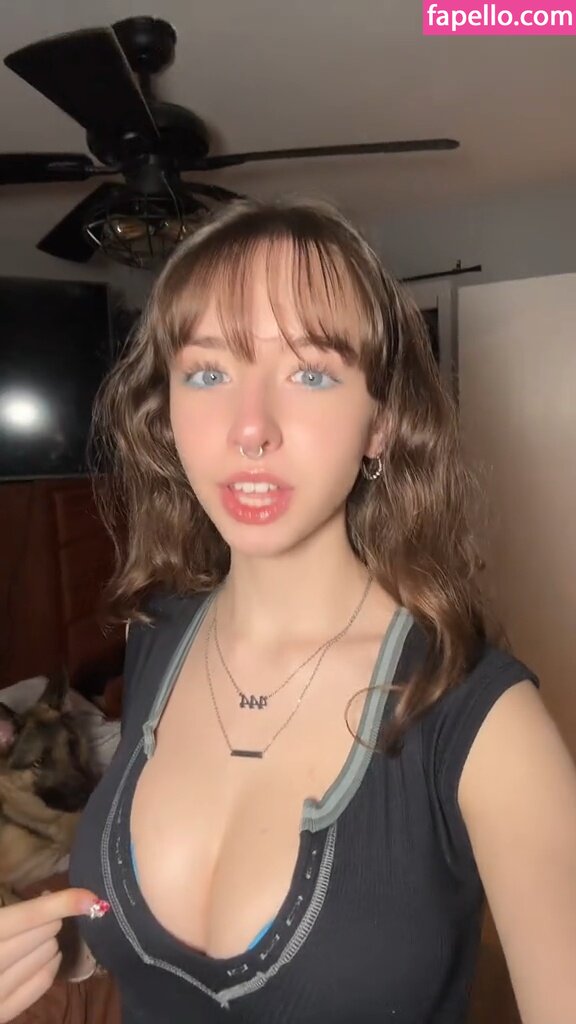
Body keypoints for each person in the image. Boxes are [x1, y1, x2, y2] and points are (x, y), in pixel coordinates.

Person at [1, 198, 576, 1023]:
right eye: (208, 372)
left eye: (311, 373)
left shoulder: (482, 721)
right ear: (166, 411)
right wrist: (67, 945)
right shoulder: (159, 636)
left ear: (380, 423)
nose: (250, 430)